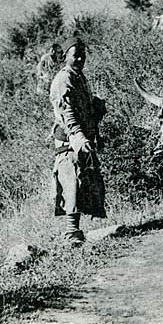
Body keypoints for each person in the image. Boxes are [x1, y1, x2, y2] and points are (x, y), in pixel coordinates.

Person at [48, 36, 107, 245]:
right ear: (65, 57)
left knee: (85, 181)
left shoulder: (79, 77)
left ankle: (77, 231)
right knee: (71, 180)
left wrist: (96, 113)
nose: (81, 58)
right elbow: (67, 112)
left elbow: (84, 108)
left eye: (83, 54)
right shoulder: (63, 80)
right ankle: (71, 232)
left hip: (84, 136)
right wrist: (79, 137)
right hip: (69, 139)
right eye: (76, 55)